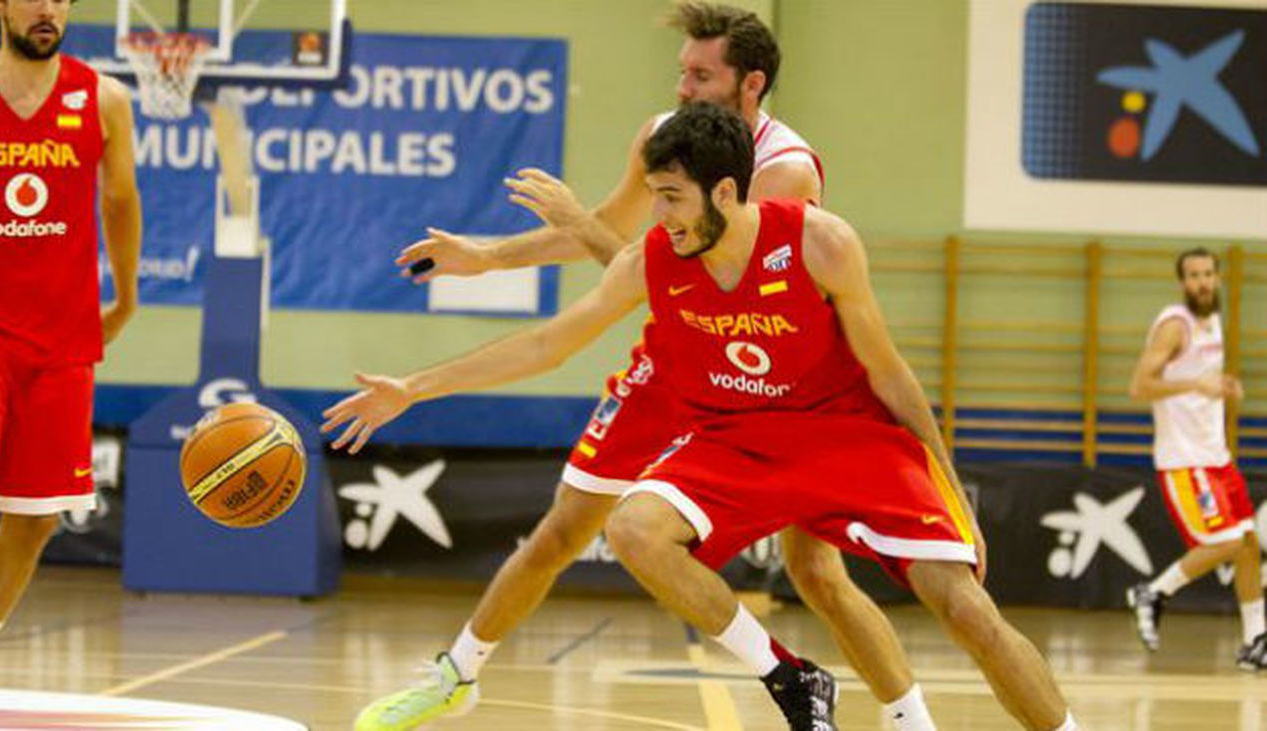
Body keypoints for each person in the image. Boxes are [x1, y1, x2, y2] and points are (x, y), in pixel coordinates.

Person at [325, 103, 1083, 730]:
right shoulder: (654, 257)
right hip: (738, 440)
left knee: (964, 606)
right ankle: (788, 674)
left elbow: (887, 370)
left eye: (672, 198)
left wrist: (945, 480)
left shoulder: (821, 243)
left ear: (727, 192)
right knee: (630, 528)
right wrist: (413, 388)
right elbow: (550, 342)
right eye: (655, 196)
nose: (659, 215)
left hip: (845, 434)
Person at [365, 4, 935, 729]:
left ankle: (909, 716)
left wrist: (579, 223)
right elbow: (623, 243)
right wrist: (486, 255)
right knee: (563, 528)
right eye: (682, 73)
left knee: (816, 571)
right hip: (677, 357)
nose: (686, 88)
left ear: (750, 83)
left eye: (703, 75)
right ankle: (459, 674)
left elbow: (678, 275)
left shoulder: (786, 171)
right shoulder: (663, 136)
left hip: (768, 376)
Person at [0, 0, 141, 676]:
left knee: (32, 521)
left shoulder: (104, 97)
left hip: (61, 336)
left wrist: (126, 298)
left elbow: (120, 200)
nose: (48, 8)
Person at [1125, 248, 1266, 670]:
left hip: (1216, 457)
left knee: (1248, 545)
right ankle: (1154, 591)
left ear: (1218, 279)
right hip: (1185, 461)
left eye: (1208, 274)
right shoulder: (1175, 325)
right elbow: (1139, 386)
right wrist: (1195, 385)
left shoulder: (1212, 323)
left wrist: (1222, 389)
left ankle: (1255, 640)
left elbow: (1200, 388)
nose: (1202, 282)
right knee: (1223, 541)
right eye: (1193, 275)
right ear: (1182, 283)